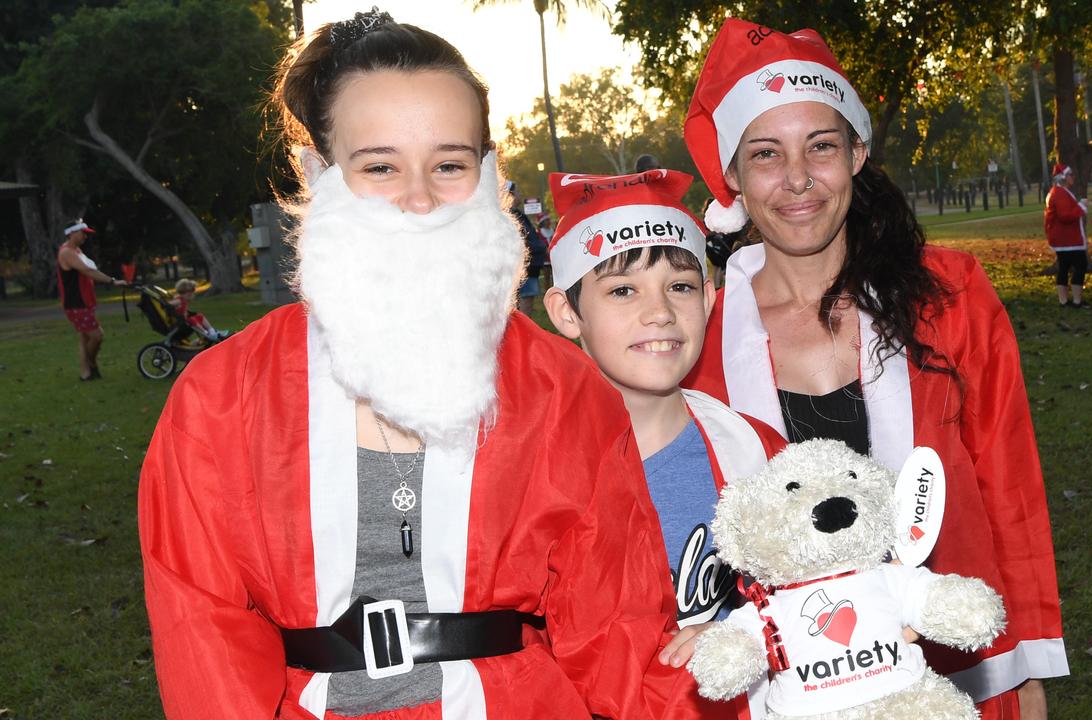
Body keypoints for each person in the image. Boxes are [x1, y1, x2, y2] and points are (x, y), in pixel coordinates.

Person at [140, 12, 697, 720]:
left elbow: (617, 637)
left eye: (449, 165)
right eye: (379, 166)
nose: (419, 200)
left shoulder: (562, 389)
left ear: (488, 173)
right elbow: (206, 645)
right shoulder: (220, 398)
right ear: (318, 175)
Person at [680, 19, 1066, 719]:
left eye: (820, 146)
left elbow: (1010, 484)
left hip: (956, 672)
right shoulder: (694, 334)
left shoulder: (950, 295)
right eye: (766, 154)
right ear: (733, 176)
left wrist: (1027, 665)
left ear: (857, 151)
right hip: (784, 692)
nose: (797, 179)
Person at [542, 168, 786, 718]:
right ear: (566, 312)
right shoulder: (541, 479)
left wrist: (755, 633)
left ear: (708, 297)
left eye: (679, 287)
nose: (659, 312)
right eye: (623, 290)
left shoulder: (755, 450)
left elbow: (826, 587)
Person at [57, 219, 126, 380]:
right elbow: (88, 271)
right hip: (76, 302)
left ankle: (86, 373)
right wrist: (112, 281)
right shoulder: (66, 252)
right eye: (83, 233)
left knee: (85, 337)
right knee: (96, 335)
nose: (85, 237)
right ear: (72, 233)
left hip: (85, 300)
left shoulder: (77, 251)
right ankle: (91, 364)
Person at [1043, 163, 1089, 308]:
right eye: (1070, 175)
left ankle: (1064, 300)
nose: (1073, 178)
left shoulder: (1057, 192)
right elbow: (1065, 215)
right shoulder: (1060, 193)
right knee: (1080, 266)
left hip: (1063, 238)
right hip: (1069, 239)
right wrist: (1081, 206)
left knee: (1064, 267)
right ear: (1063, 177)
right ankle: (1076, 300)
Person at [507, 181, 546, 317]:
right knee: (525, 300)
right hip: (524, 266)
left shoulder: (516, 214)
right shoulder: (511, 216)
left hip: (529, 265)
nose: (520, 194)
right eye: (517, 192)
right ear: (510, 194)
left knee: (524, 300)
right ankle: (522, 335)